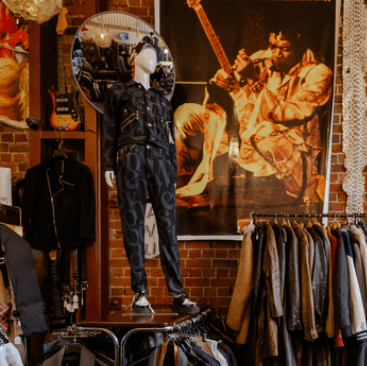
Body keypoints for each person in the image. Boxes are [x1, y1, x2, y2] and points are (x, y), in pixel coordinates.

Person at [174, 22, 333, 204]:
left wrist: (254, 80)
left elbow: (282, 115)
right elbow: (239, 93)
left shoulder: (319, 74)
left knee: (264, 132)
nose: (276, 54)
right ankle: (177, 180)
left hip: (290, 153)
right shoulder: (262, 59)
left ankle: (286, 190)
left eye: (284, 49)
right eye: (272, 46)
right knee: (186, 113)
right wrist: (225, 82)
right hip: (249, 142)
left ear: (301, 46)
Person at [102, 41, 199, 313]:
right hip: (130, 157)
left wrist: (172, 169)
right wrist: (109, 164)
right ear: (135, 58)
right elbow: (110, 128)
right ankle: (140, 292)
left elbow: (171, 139)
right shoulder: (118, 92)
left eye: (155, 56)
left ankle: (177, 292)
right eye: (147, 54)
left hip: (160, 160)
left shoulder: (162, 100)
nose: (152, 59)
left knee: (167, 225)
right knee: (132, 222)